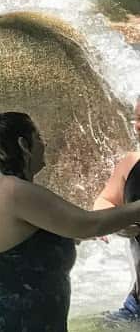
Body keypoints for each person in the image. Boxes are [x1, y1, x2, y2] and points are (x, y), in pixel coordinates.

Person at [0, 110, 140, 331]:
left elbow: (67, 229)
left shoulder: (9, 185)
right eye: (39, 139)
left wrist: (112, 227)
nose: (44, 145)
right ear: (24, 145)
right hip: (3, 318)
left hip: (20, 315)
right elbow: (88, 225)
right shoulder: (15, 192)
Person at [93, 98, 140, 322]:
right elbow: (103, 200)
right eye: (137, 119)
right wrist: (115, 223)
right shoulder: (131, 162)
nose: (137, 126)